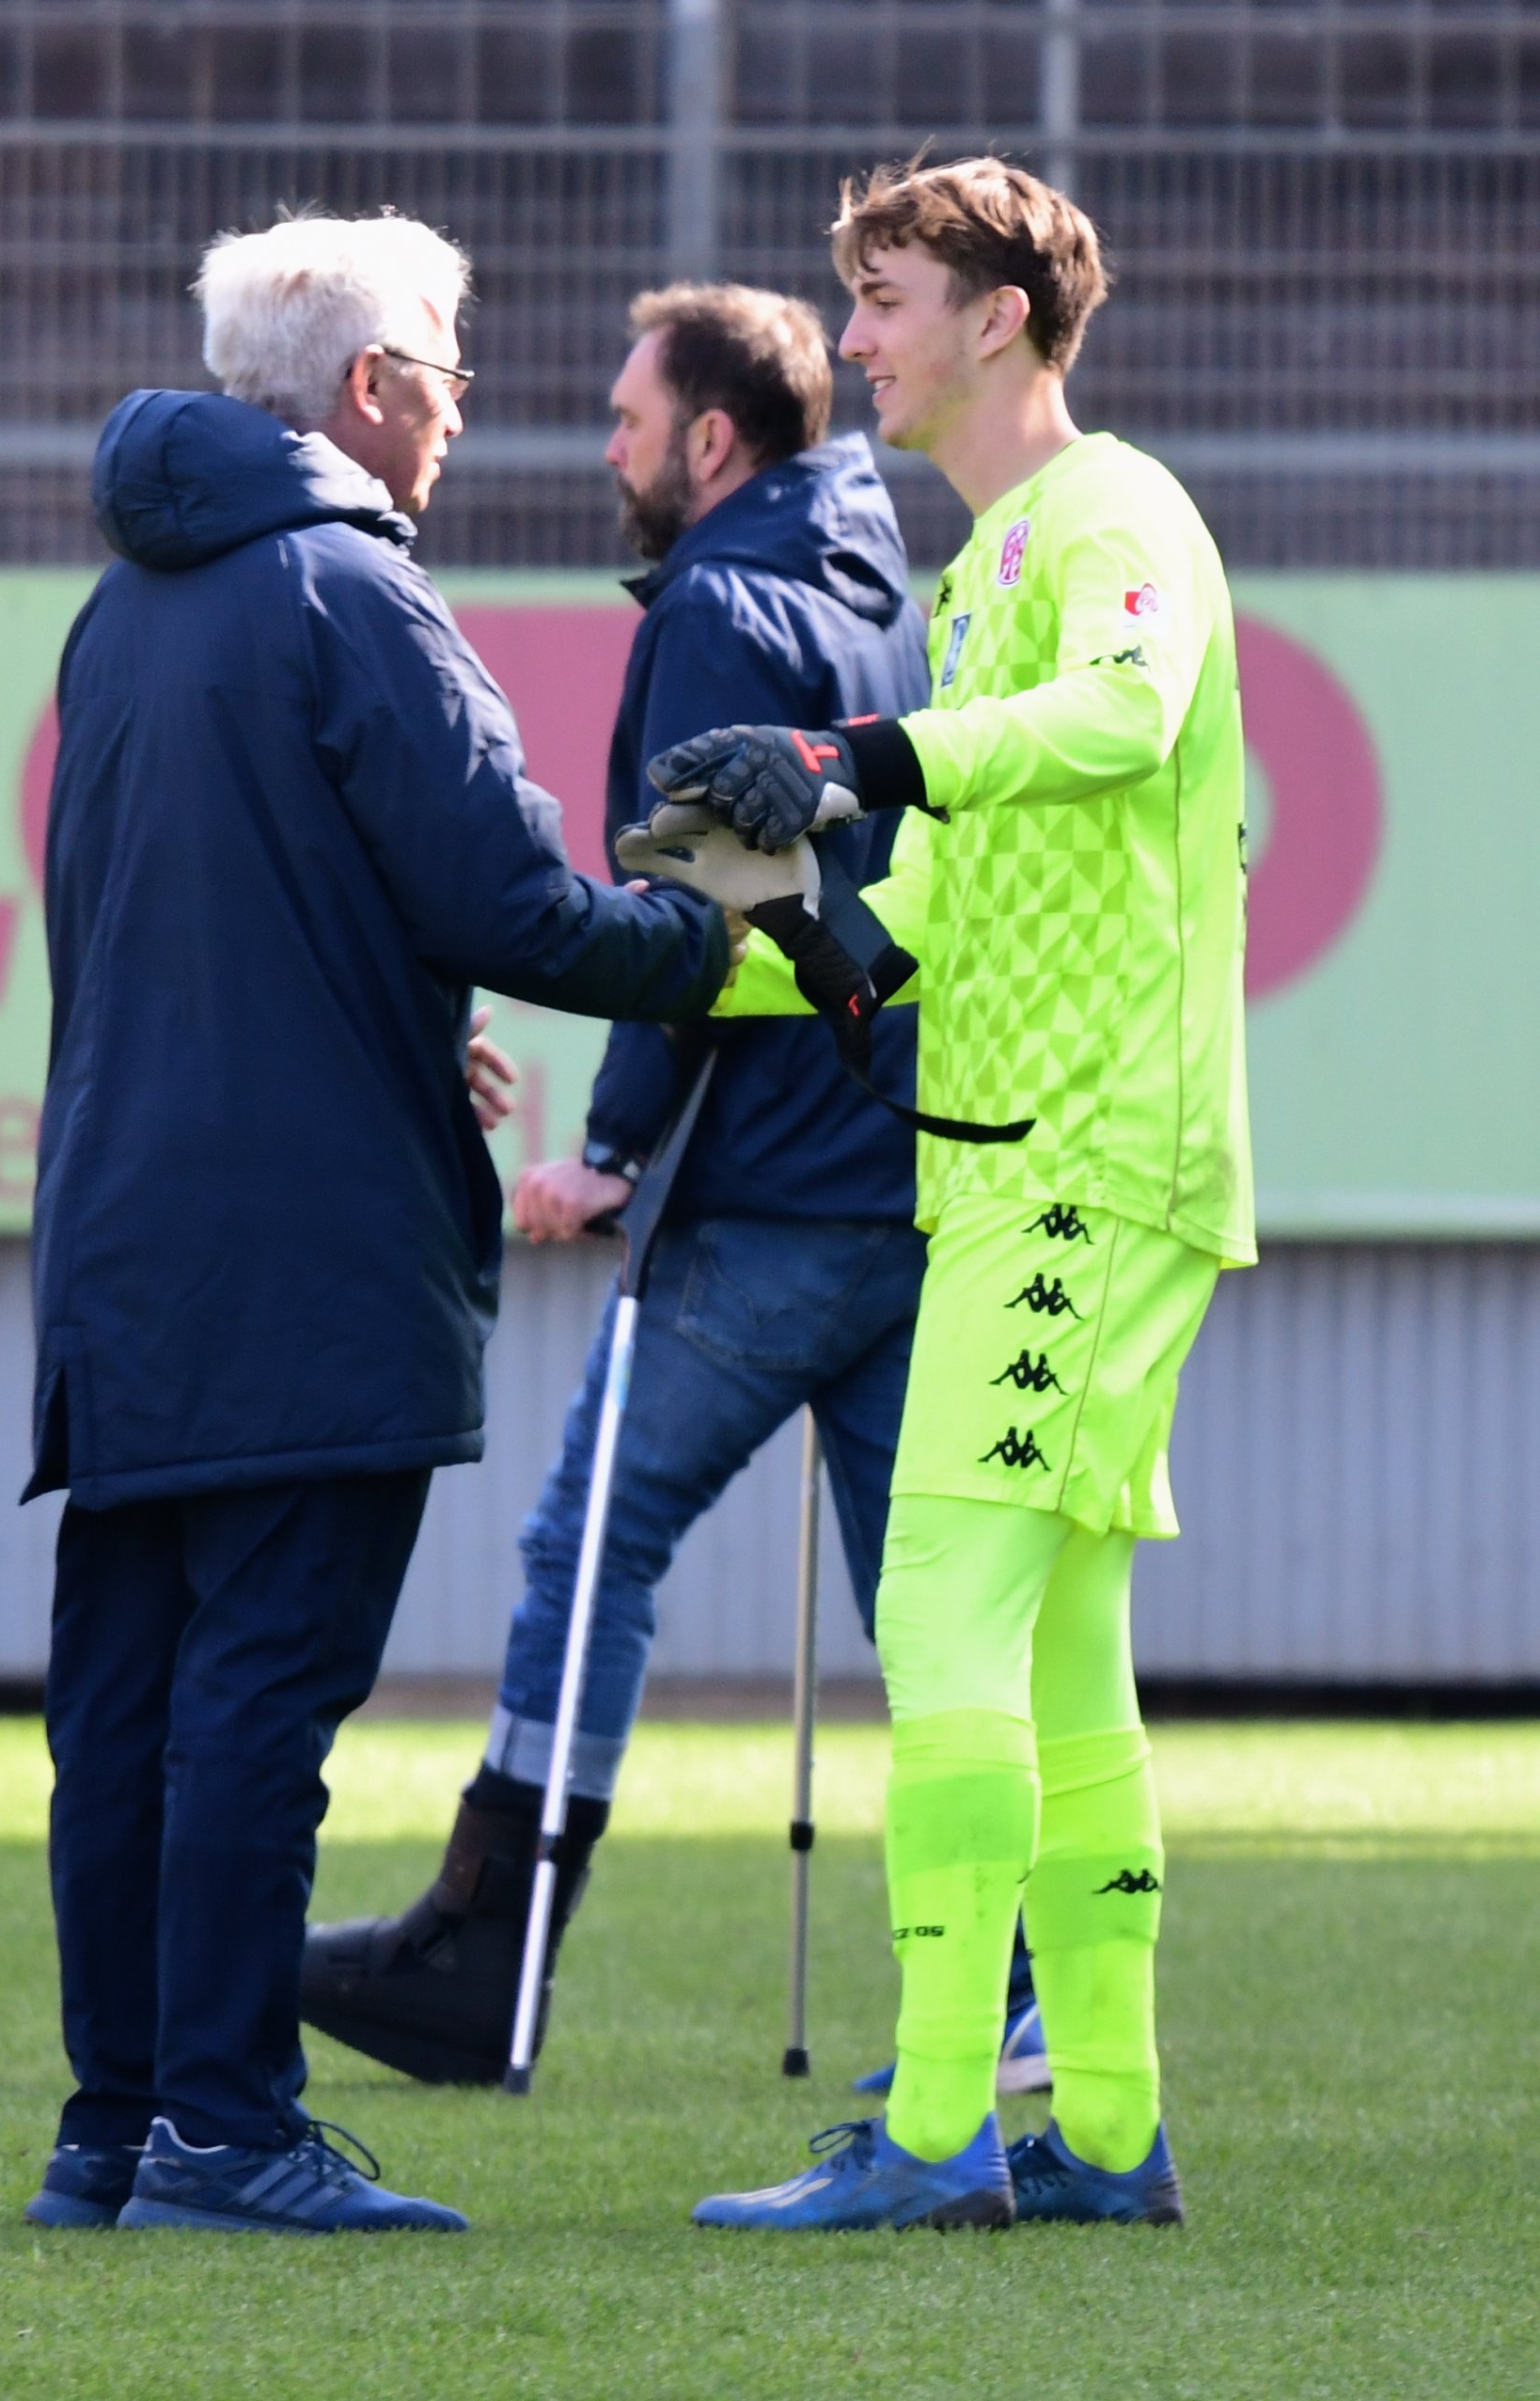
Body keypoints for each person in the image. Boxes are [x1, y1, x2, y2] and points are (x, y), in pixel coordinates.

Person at [20, 213, 733, 2239]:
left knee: (131, 1704)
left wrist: (401, 1036)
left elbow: (215, 937)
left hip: (129, 1239)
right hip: (306, 1252)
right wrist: (736, 937)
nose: (462, 410)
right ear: (366, 391)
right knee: (259, 1698)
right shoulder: (353, 594)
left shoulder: (123, 610)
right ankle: (232, 2131)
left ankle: (123, 2120)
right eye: (447, 369)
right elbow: (513, 901)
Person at [299, 281, 1045, 2102]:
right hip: (904, 1167)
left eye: (631, 419)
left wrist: (610, 1150)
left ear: (714, 439)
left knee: (588, 1547)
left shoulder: (716, 602)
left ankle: (492, 1948)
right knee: (931, 1606)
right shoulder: (895, 594)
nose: (611, 448)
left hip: (767, 1185)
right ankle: (1023, 1993)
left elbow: (692, 905)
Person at [650, 157, 1252, 2231]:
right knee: (1064, 1652)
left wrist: (863, 758)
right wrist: (782, 931)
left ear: (1003, 315)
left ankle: (926, 2133)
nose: (860, 340)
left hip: (1081, 1168)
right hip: (1018, 1166)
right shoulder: (991, 559)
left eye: (889, 297)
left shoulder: (1110, 515)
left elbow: (1128, 711)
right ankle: (1101, 2126)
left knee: (942, 1611)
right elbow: (931, 898)